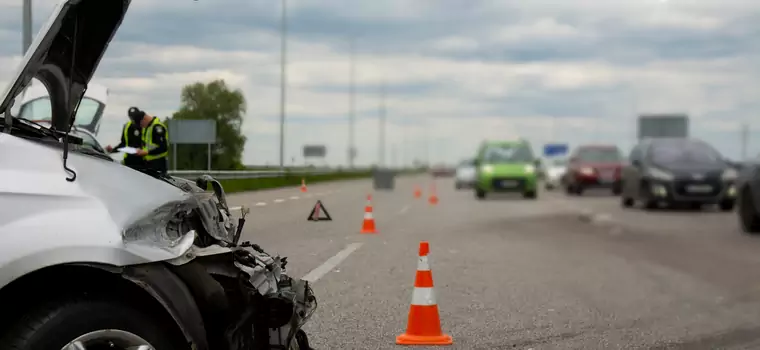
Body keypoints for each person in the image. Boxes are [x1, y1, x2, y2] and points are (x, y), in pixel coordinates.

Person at [130, 107, 169, 175]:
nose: (141, 126)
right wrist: (140, 150)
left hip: (158, 165)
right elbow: (147, 145)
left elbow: (163, 147)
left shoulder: (157, 127)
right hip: (149, 164)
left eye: (140, 124)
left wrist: (146, 152)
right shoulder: (147, 128)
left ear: (144, 119)